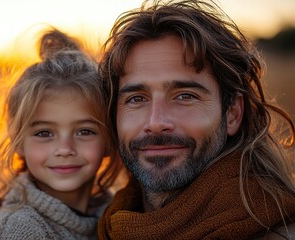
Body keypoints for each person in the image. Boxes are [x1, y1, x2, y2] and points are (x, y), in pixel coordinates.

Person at [97, 0, 295, 239]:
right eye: (136, 99)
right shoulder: (102, 226)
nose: (156, 122)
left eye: (185, 96)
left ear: (232, 113)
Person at [0, 28, 123, 239]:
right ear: (18, 140)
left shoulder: (111, 213)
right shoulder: (21, 230)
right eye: (44, 133)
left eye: (85, 131)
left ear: (108, 138)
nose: (65, 149)